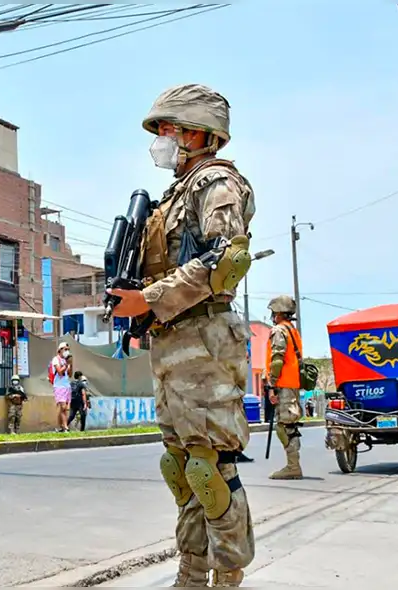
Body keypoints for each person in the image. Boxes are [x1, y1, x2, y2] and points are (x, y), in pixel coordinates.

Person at [108, 83, 256, 587]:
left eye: (168, 129)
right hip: (171, 342)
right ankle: (191, 573)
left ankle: (228, 577)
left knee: (211, 468)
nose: (161, 139)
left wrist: (148, 300)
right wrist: (140, 313)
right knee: (182, 467)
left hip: (206, 341)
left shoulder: (217, 183)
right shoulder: (174, 194)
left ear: (199, 133)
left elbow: (225, 261)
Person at [264, 296, 306, 480]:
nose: (272, 315)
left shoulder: (279, 330)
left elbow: (277, 360)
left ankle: (293, 466)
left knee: (285, 427)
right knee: (290, 425)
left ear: (278, 312)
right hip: (293, 384)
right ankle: (293, 465)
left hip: (284, 384)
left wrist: (271, 384)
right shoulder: (292, 331)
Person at [50, 342, 73, 432]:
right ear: (60, 350)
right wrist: (66, 364)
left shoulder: (66, 360)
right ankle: (65, 427)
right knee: (63, 407)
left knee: (65, 408)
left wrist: (71, 364)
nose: (67, 351)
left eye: (68, 349)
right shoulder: (56, 359)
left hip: (66, 386)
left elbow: (70, 374)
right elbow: (59, 372)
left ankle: (61, 426)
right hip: (59, 386)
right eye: (65, 349)